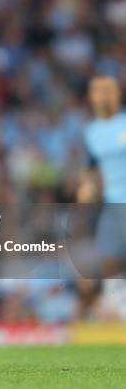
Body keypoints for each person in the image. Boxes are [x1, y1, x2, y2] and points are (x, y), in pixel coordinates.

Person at [79, 75, 126, 281]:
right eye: (98, 92)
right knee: (108, 260)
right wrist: (88, 186)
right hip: (111, 203)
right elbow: (91, 167)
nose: (102, 97)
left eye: (107, 92)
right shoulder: (92, 132)